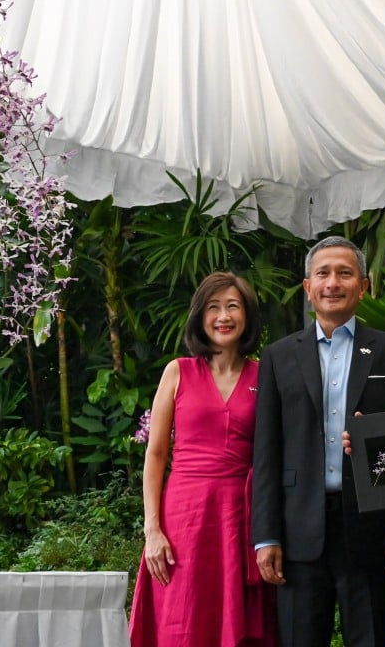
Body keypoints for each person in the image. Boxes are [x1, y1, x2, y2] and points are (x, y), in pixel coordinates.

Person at [252, 236, 385, 647]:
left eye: (345, 273)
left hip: (370, 526)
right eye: (322, 274)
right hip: (297, 528)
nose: (333, 283)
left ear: (363, 286)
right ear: (308, 288)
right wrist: (267, 535)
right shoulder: (278, 357)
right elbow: (267, 450)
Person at [129, 272, 277, 647]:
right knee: (182, 620)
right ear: (200, 316)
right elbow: (156, 454)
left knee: (238, 624)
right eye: (214, 307)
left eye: (233, 306)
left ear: (247, 315)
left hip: (240, 519)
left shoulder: (265, 375)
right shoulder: (177, 371)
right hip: (184, 518)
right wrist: (152, 530)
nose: (223, 316)